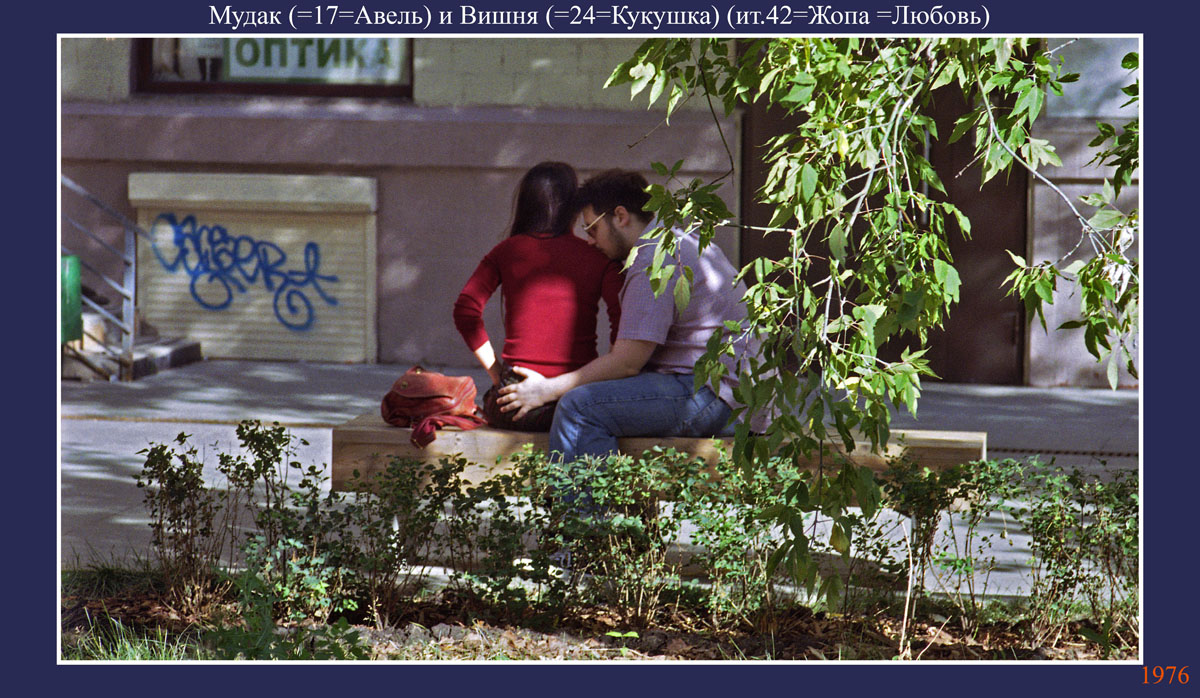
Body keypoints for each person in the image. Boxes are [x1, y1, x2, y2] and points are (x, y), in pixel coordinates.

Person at [496, 169, 765, 463]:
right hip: (729, 394)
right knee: (590, 398)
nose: (589, 241)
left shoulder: (654, 258)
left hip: (717, 397)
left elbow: (626, 363)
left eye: (592, 229)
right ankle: (607, 491)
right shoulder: (676, 240)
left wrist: (545, 390)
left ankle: (586, 496)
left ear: (620, 216)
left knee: (580, 407)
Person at [453, 162, 624, 432]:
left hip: (515, 401)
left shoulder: (505, 251)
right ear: (573, 208)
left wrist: (497, 374)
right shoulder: (599, 256)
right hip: (575, 397)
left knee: (490, 401)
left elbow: (465, 310)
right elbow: (623, 319)